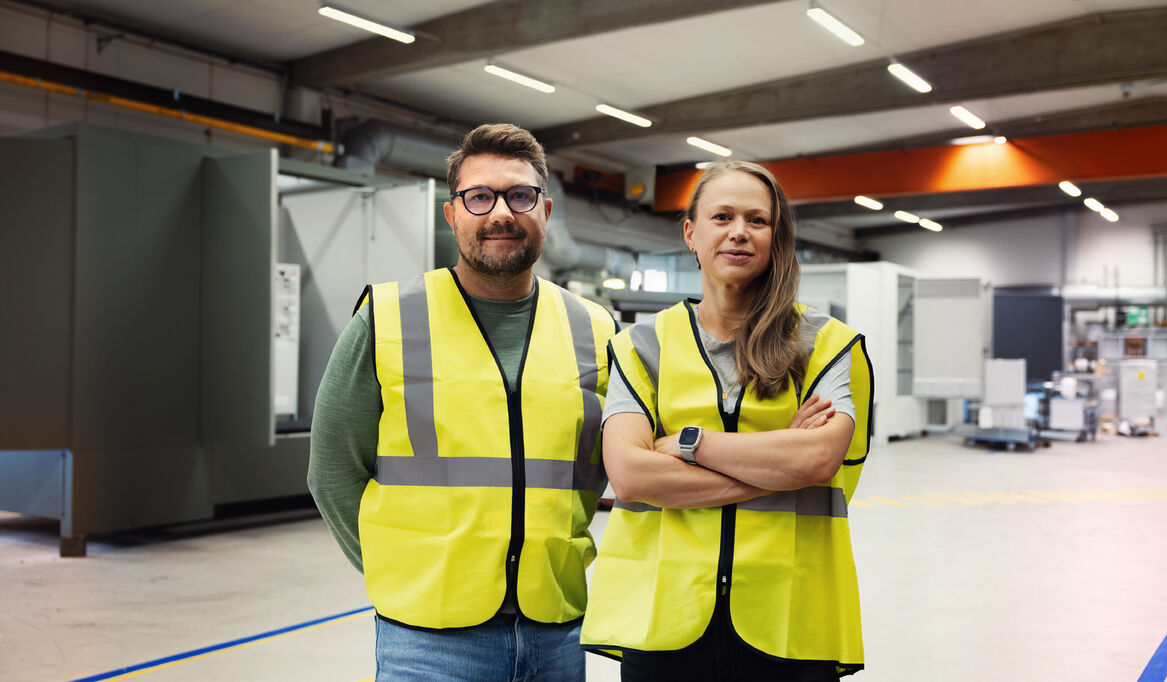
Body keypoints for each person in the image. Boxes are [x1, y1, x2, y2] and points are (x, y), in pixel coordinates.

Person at [308, 123, 617, 682]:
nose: (501, 212)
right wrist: (402, 572)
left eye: (520, 195)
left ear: (546, 211)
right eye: (479, 197)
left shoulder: (594, 329)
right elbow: (332, 470)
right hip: (429, 641)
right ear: (452, 214)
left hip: (557, 628)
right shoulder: (387, 319)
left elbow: (603, 468)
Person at [580, 160, 874, 680]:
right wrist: (778, 463)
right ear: (691, 233)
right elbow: (630, 475)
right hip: (665, 616)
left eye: (757, 220)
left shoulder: (826, 344)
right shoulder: (642, 345)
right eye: (722, 216)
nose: (739, 231)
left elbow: (818, 458)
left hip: (788, 615)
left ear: (776, 238)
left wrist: (689, 444)